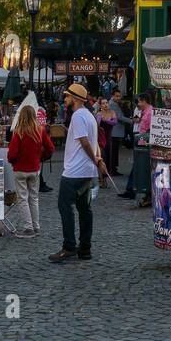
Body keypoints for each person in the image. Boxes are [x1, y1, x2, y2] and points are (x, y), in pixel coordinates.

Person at [49, 83, 107, 262]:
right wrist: (98, 161)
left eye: (66, 96)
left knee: (64, 206)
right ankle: (85, 249)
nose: (64, 99)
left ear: (74, 99)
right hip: (86, 171)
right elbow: (93, 142)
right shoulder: (89, 116)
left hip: (75, 171)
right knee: (84, 209)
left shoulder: (78, 116)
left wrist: (97, 160)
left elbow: (85, 142)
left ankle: (69, 246)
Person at [8, 106, 53, 237]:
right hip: (34, 168)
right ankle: (36, 226)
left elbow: (12, 154)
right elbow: (50, 148)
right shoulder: (40, 130)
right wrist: (40, 157)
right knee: (34, 198)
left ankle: (28, 228)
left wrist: (13, 162)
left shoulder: (19, 132)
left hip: (20, 169)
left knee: (23, 199)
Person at [122, 94, 153, 200]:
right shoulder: (145, 112)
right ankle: (131, 189)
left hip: (144, 143)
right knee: (136, 167)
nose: (138, 104)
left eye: (139, 102)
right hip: (141, 142)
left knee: (138, 167)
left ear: (144, 101)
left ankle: (132, 190)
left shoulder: (150, 112)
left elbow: (150, 129)